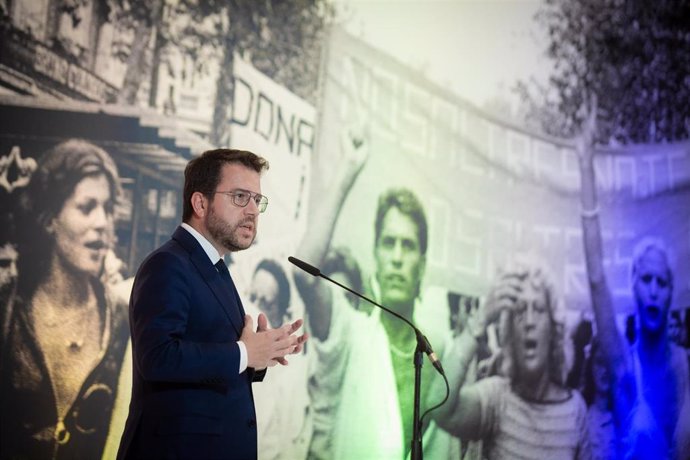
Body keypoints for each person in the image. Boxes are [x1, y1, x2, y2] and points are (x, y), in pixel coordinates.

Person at [116, 149, 307, 460]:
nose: (252, 211)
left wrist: (260, 355)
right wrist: (244, 352)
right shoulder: (168, 264)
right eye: (240, 197)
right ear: (200, 203)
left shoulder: (216, 268)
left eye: (257, 200)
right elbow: (158, 358)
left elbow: (214, 361)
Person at [293, 129, 458, 459]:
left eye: (408, 246)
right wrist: (348, 171)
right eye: (389, 243)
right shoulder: (351, 334)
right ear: (376, 256)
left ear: (422, 265)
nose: (397, 257)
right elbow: (303, 273)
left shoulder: (440, 353)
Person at [0, 139, 130, 459]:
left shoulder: (123, 320)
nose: (102, 222)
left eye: (108, 208)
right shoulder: (7, 308)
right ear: (49, 218)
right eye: (86, 207)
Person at [576, 102, 690, 458]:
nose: (654, 290)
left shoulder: (688, 367)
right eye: (646, 280)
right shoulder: (624, 368)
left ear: (672, 291)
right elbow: (596, 278)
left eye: (662, 282)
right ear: (634, 285)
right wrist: (585, 165)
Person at [432, 256, 591, 459]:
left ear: (553, 329)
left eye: (539, 309)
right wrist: (480, 321)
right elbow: (438, 406)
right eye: (520, 311)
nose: (529, 322)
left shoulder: (575, 412)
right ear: (509, 334)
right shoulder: (497, 400)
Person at [247, 258, 312, 460]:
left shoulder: (297, 367)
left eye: (266, 303)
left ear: (282, 310)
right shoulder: (239, 351)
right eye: (253, 299)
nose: (256, 309)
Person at [582, 338, 616, 460]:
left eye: (609, 363)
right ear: (591, 367)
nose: (605, 370)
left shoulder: (623, 419)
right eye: (600, 363)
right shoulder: (583, 420)